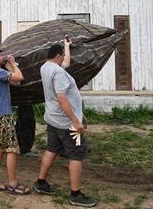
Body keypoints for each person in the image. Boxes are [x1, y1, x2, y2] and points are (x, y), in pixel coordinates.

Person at [32, 41, 98, 207]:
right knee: (76, 154)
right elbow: (62, 98)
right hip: (67, 123)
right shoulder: (59, 73)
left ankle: (41, 182)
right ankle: (75, 194)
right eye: (62, 56)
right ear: (57, 56)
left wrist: (66, 46)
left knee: (52, 149)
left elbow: (65, 63)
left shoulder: (46, 67)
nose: (64, 59)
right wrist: (76, 121)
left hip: (52, 119)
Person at [0, 48, 31, 195]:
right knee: (11, 148)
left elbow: (16, 83)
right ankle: (12, 184)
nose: (2, 56)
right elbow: (20, 77)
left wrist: (10, 67)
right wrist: (12, 63)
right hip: (2, 116)